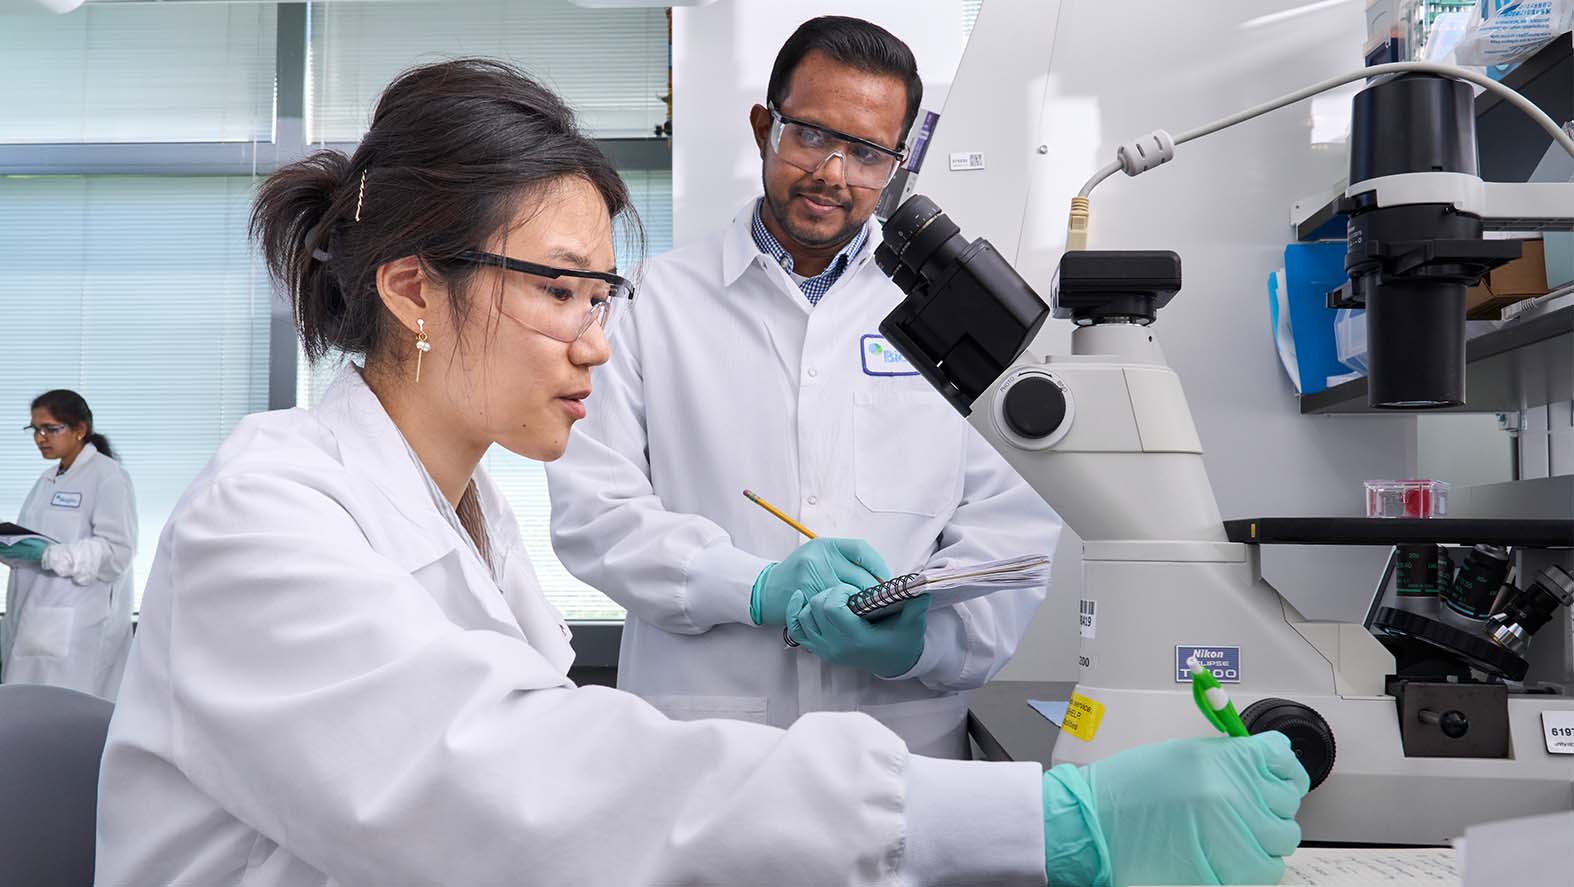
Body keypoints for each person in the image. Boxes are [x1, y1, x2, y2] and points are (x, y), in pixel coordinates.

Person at [96, 58, 1307, 887]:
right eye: (557, 289)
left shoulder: (466, 519)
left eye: (600, 292)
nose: (596, 338)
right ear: (413, 286)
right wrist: (1035, 820)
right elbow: (509, 785)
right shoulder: (266, 515)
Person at [546, 15, 1062, 760]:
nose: (834, 173)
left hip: (901, 743)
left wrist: (919, 645)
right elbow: (595, 513)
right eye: (812, 135)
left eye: (866, 152)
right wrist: (753, 588)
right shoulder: (653, 302)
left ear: (898, 162)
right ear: (765, 127)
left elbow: (1012, 531)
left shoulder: (954, 314)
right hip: (703, 746)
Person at [0, 389, 136, 700]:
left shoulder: (108, 476)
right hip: (34, 617)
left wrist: (51, 555)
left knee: (67, 716)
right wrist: (14, 550)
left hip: (78, 622)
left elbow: (118, 552)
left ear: (79, 430)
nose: (40, 437)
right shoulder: (48, 479)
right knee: (26, 712)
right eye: (35, 429)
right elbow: (34, 540)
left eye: (50, 428)